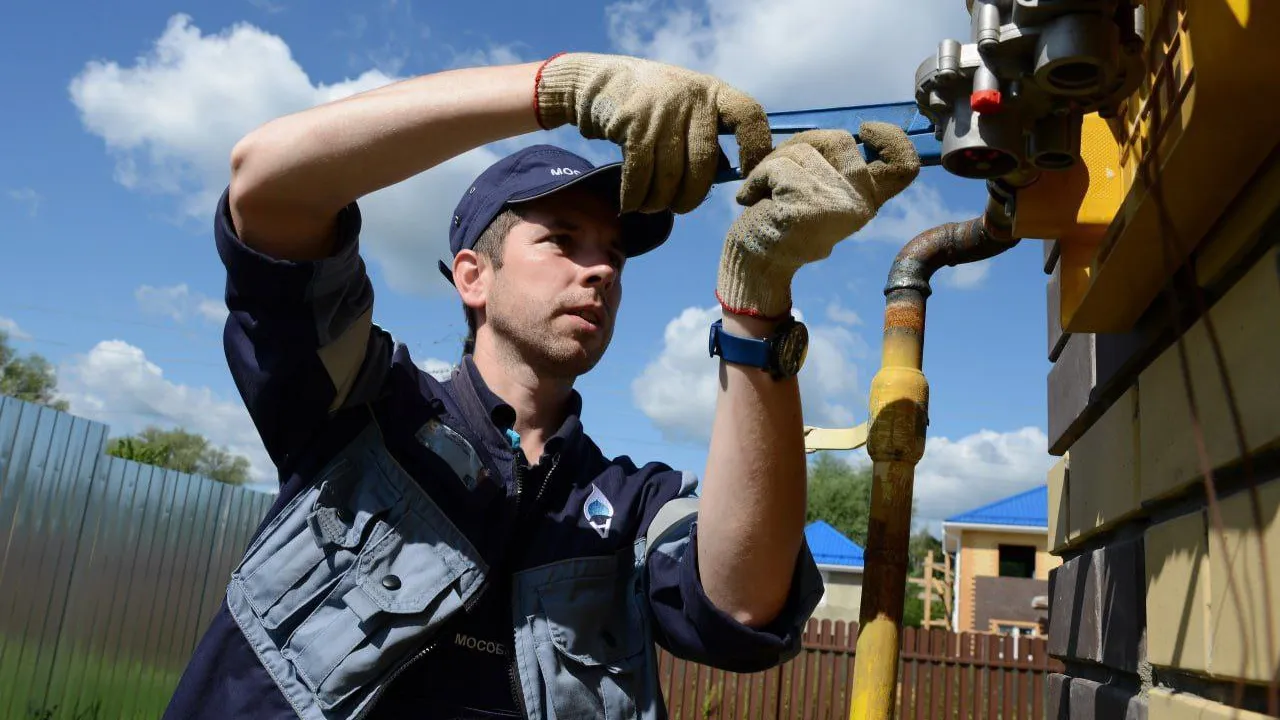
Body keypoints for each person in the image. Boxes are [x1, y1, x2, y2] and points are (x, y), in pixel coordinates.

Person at [163, 52, 919, 720]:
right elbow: (267, 184)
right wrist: (564, 87)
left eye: (615, 255)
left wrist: (758, 298)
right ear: (472, 276)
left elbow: (743, 603)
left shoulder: (633, 507)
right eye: (561, 239)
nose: (600, 269)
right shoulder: (363, 409)